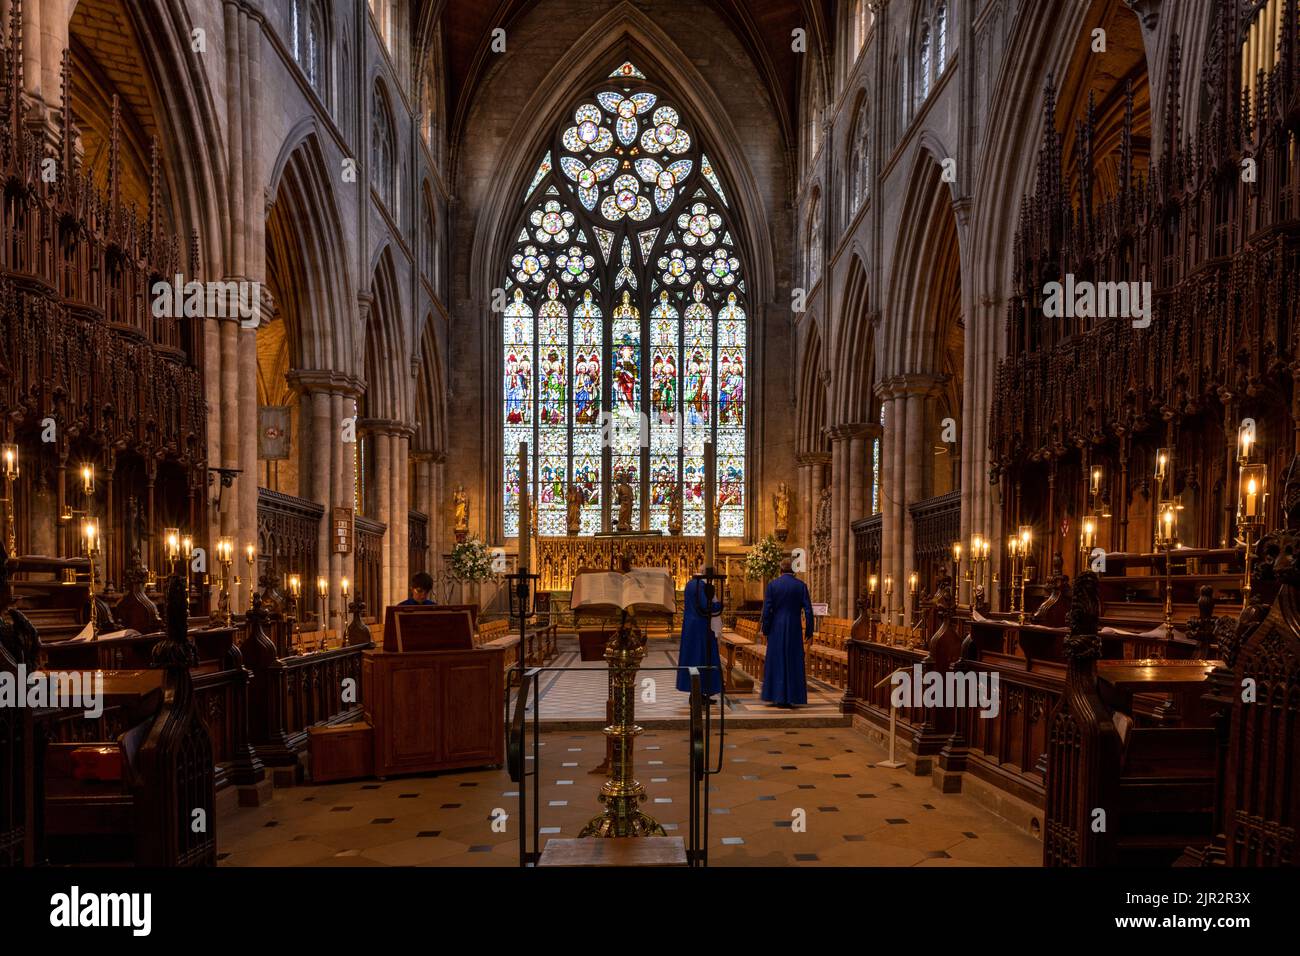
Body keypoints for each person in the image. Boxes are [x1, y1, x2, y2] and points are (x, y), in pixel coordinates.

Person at [760, 558, 813, 708]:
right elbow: (808, 611)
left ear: (780, 570)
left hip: (776, 627)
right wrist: (809, 632)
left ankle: (776, 695)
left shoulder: (772, 585)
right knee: (793, 660)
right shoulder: (801, 586)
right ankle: (792, 696)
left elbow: (767, 610)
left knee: (776, 660)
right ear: (793, 570)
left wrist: (766, 629)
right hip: (794, 627)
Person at [676, 569, 723, 700]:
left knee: (693, 658)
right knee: (702, 658)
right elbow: (704, 606)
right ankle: (698, 693)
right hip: (701, 627)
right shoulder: (700, 585)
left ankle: (698, 693)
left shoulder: (690, 583)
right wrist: (718, 605)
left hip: (690, 626)